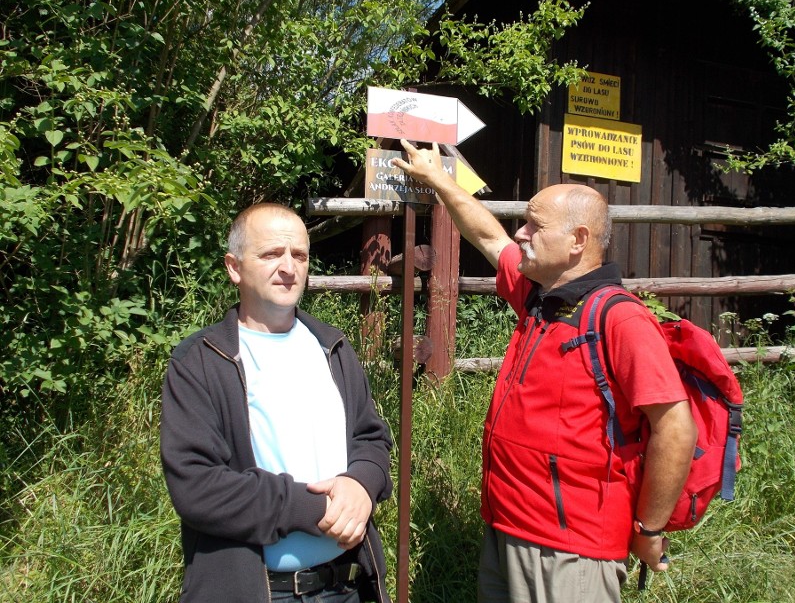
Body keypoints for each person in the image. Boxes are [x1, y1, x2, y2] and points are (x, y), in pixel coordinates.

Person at [393, 141, 698, 603]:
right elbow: (490, 238)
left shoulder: (621, 320)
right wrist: (439, 180)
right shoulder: (542, 295)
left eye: (535, 225)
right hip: (507, 527)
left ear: (578, 240)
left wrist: (649, 528)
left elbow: (676, 426)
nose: (520, 233)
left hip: (570, 551)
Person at [160, 203, 393, 603]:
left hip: (346, 587)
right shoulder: (200, 361)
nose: (288, 267)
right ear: (234, 267)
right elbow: (197, 486)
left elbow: (371, 438)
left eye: (299, 255)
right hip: (254, 590)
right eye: (271, 254)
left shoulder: (332, 347)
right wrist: (311, 508)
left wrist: (361, 484)